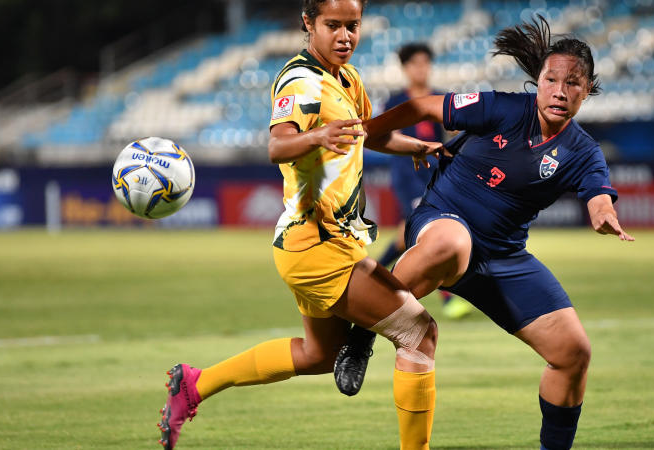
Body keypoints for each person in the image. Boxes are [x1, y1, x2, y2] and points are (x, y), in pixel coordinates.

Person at [336, 16, 635, 450]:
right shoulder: (503, 107)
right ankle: (363, 333)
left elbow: (598, 192)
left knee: (573, 354)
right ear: (539, 81)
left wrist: (603, 210)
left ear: (586, 90)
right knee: (452, 243)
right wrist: (367, 132)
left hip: (503, 256)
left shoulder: (582, 151)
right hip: (444, 218)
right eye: (551, 79)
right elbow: (422, 107)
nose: (559, 90)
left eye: (572, 83)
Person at [157, 1, 442, 449]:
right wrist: (316, 136)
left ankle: (195, 384)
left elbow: (371, 132)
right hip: (317, 247)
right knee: (419, 334)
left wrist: (416, 147)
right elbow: (278, 144)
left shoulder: (347, 77)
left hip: (317, 243)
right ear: (308, 23)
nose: (345, 35)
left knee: (320, 355)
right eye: (333, 25)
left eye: (353, 26)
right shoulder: (301, 79)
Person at [377, 42, 473, 321]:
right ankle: (448, 298)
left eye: (425, 63)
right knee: (431, 230)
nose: (421, 69)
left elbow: (453, 131)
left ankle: (372, 276)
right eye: (415, 64)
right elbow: (382, 135)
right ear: (405, 68)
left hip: (434, 174)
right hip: (407, 174)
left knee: (405, 235)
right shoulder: (396, 101)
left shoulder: (440, 98)